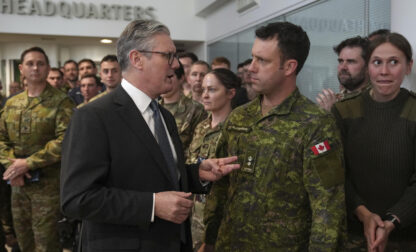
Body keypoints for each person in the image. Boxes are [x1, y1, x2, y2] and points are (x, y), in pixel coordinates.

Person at [60, 19, 240, 252]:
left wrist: (196, 174)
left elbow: (152, 173)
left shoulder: (163, 115)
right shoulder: (94, 117)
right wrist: (152, 206)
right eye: (168, 56)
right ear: (137, 59)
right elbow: (76, 198)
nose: (175, 65)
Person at [203, 22, 346, 251]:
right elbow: (220, 183)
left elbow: (328, 205)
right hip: (230, 243)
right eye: (252, 58)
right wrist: (209, 239)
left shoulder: (316, 124)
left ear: (289, 67)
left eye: (263, 61)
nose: (251, 67)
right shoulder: (239, 117)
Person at [332, 32, 416, 252]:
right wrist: (364, 214)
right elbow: (335, 172)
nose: (384, 71)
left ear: (408, 67)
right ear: (367, 67)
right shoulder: (343, 111)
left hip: (406, 236)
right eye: (377, 62)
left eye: (394, 62)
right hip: (352, 235)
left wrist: (390, 222)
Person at [0, 47, 74, 252]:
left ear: (48, 68)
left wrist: (27, 164)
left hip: (48, 186)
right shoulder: (12, 103)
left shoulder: (61, 102)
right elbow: (1, 139)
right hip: (18, 185)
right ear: (21, 69)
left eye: (40, 64)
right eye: (30, 64)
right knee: (24, 241)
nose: (35, 68)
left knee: (46, 244)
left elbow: (65, 140)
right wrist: (12, 167)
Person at [186, 68, 245, 251]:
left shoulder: (239, 130)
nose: (205, 95)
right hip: (194, 217)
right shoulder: (201, 127)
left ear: (230, 93)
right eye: (203, 89)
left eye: (212, 90)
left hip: (222, 221)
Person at [160, 62, 207, 156]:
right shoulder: (152, 108)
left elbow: (198, 149)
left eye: (169, 77)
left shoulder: (196, 109)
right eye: (160, 76)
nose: (164, 81)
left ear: (181, 78)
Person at [316, 36, 370, 111]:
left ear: (368, 67)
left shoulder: (376, 100)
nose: (343, 67)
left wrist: (332, 113)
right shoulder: (336, 99)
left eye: (351, 61)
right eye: (341, 61)